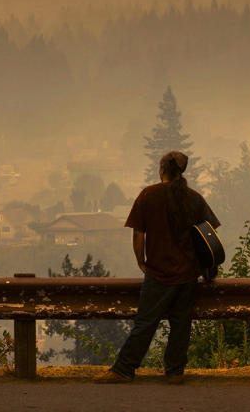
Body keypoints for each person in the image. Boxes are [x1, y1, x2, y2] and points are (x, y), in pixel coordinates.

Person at [95, 151, 221, 384]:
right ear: (181, 172)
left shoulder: (148, 195)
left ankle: (124, 369)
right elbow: (210, 233)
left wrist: (140, 261)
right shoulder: (194, 198)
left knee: (146, 322)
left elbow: (138, 234)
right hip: (187, 274)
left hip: (158, 273)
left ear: (162, 169)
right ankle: (174, 372)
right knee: (181, 324)